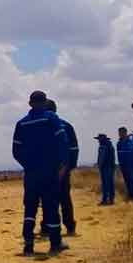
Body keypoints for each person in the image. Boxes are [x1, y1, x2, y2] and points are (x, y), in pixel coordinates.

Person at [12, 90, 69, 256]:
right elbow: (62, 141)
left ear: (30, 103)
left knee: (30, 208)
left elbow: (16, 150)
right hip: (50, 171)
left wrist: (28, 165)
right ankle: (55, 243)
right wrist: (62, 164)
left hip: (31, 174)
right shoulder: (51, 118)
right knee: (51, 207)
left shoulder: (21, 124)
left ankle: (28, 245)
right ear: (45, 103)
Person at [43, 100, 79, 236]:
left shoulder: (44, 124)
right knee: (65, 197)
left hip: (48, 168)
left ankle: (47, 227)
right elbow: (74, 148)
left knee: (47, 198)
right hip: (64, 168)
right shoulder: (67, 125)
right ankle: (70, 226)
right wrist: (71, 166)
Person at [116, 127, 133, 201]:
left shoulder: (130, 141)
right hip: (123, 164)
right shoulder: (119, 143)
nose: (120, 134)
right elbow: (119, 154)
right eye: (119, 133)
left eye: (121, 132)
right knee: (127, 181)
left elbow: (132, 152)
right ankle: (131, 195)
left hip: (131, 164)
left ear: (125, 132)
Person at [95, 134, 116, 205]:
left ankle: (107, 200)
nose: (98, 141)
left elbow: (102, 158)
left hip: (106, 167)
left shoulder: (105, 146)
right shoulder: (109, 145)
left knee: (107, 184)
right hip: (108, 167)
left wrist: (99, 165)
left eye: (99, 139)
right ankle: (109, 199)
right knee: (108, 184)